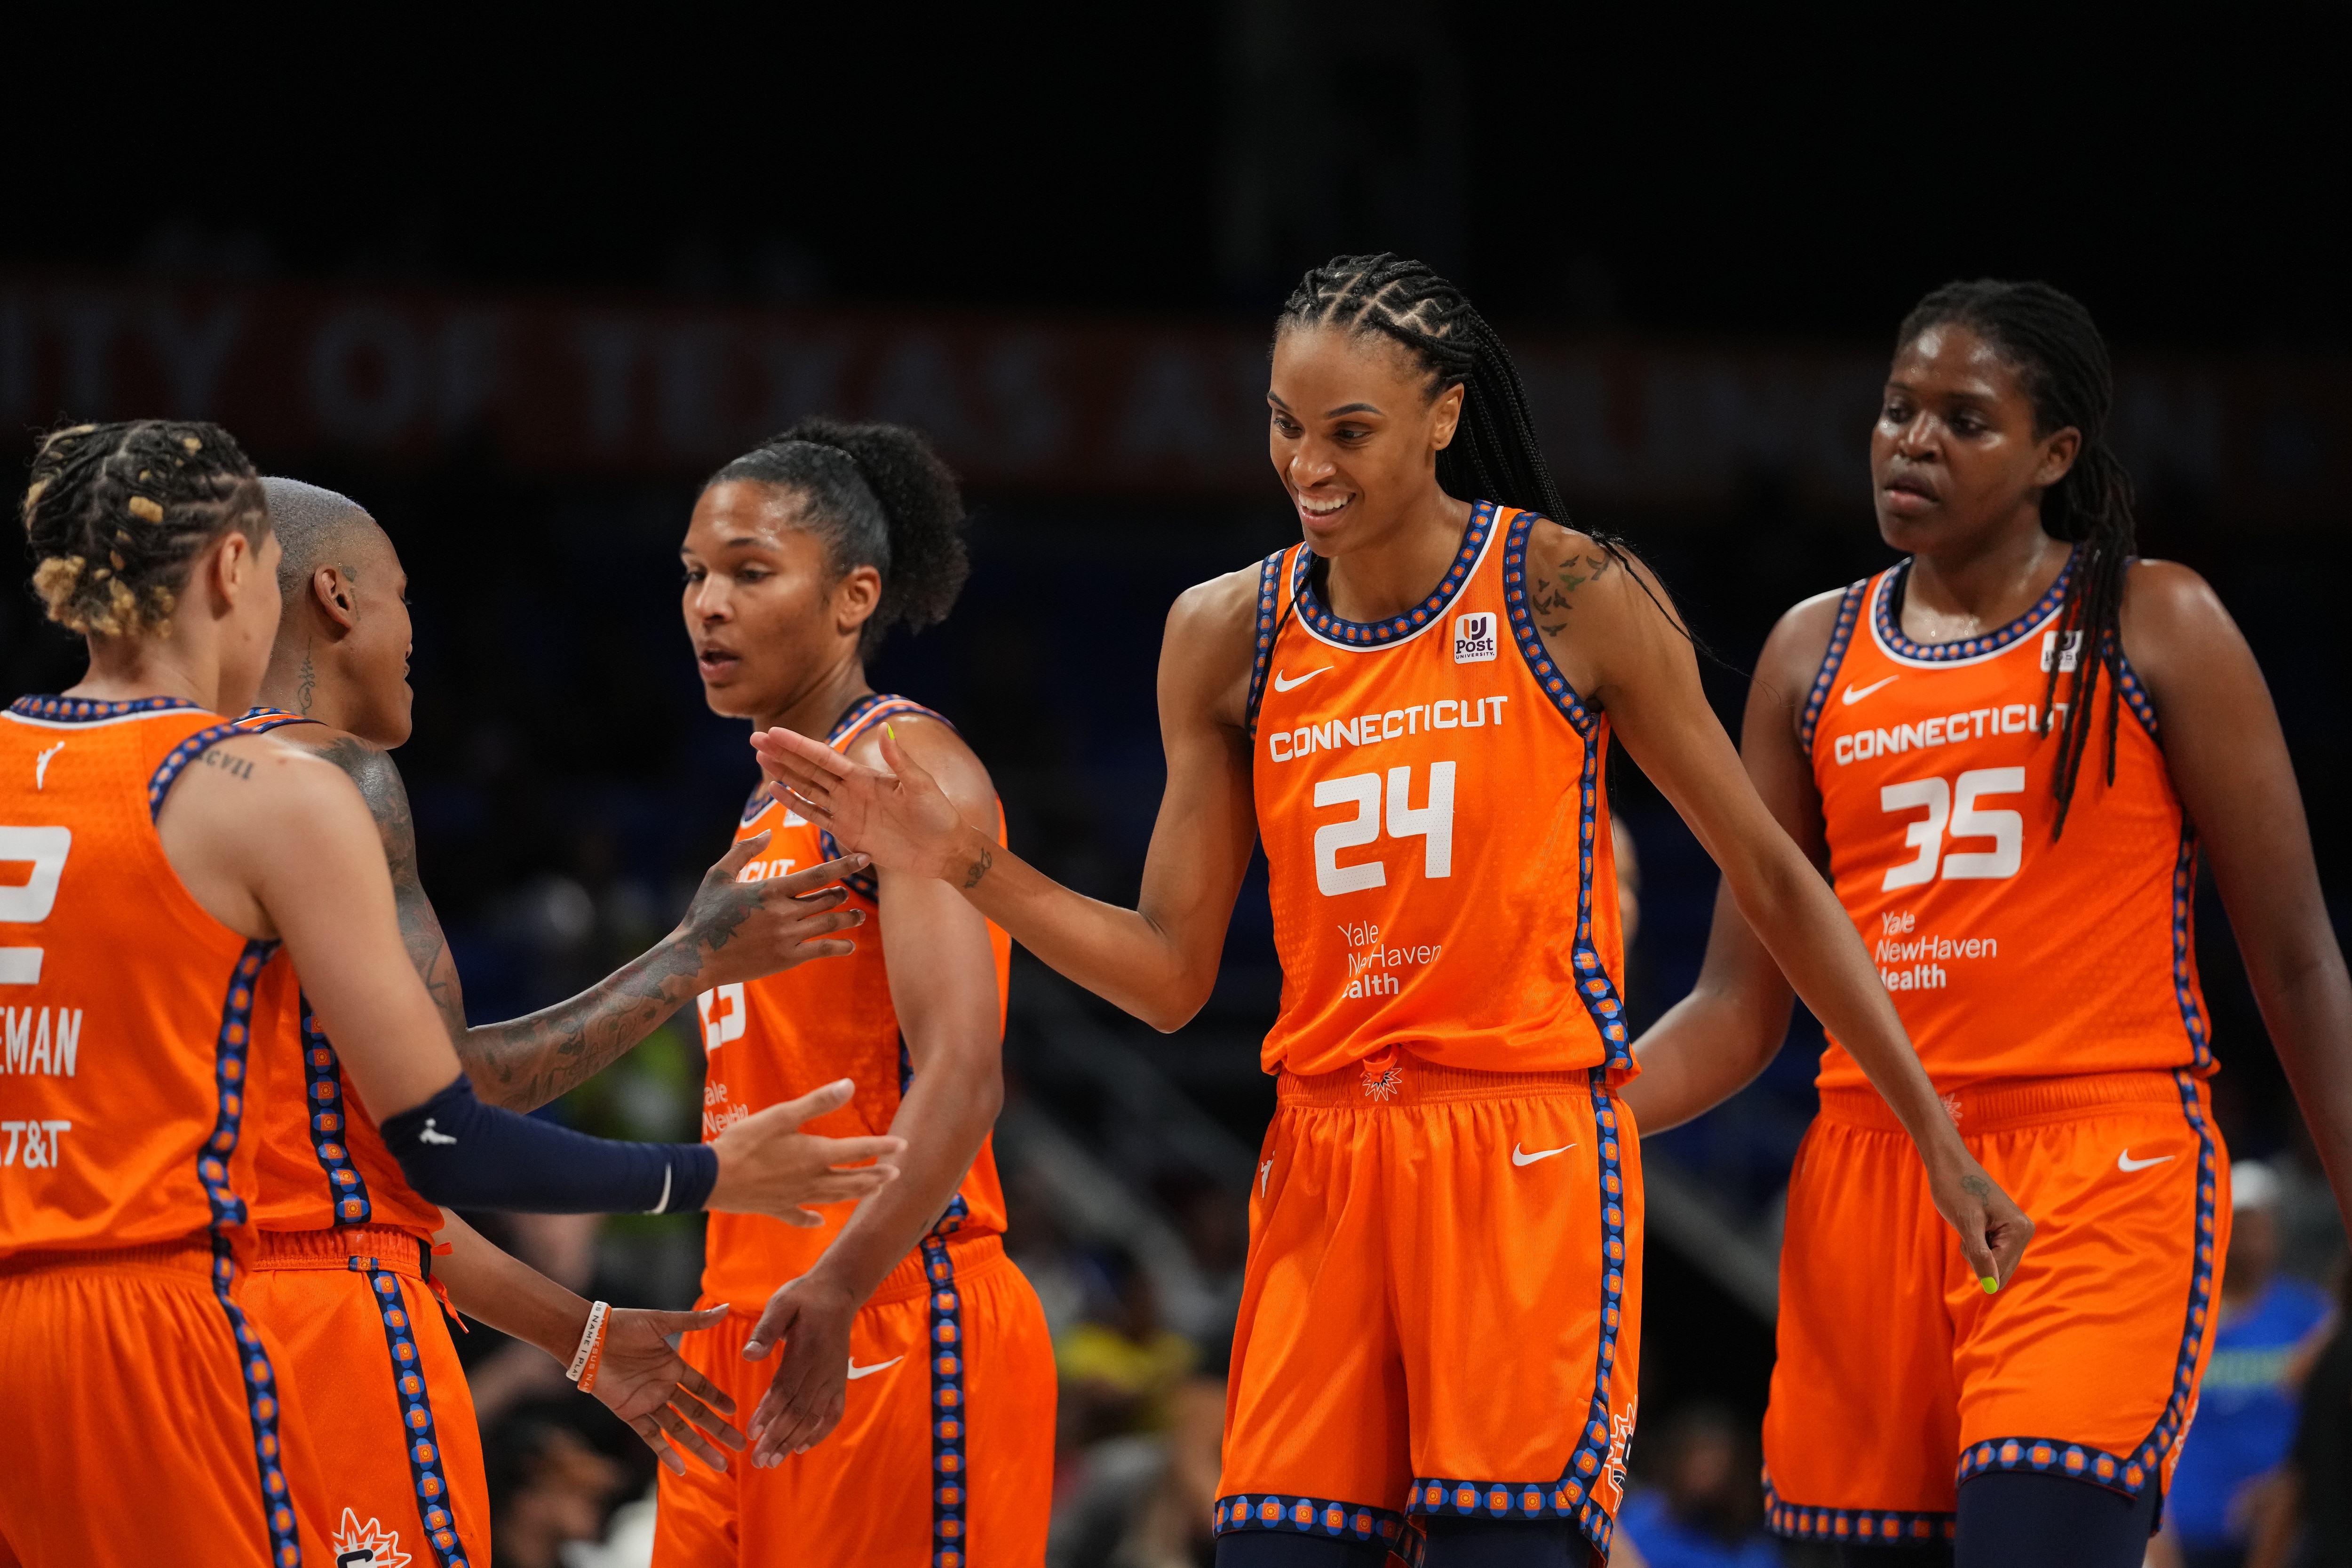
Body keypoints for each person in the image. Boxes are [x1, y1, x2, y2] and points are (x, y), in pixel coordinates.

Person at [751, 255, 2030, 1568]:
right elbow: (1170, 975)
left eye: (1349, 431)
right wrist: (965, 861)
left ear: (1442, 416)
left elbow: (1770, 875)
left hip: (1518, 1152)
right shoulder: (1224, 632)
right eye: (1284, 424)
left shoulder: (1567, 590)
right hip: (1320, 1164)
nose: (1308, 465)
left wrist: (1930, 1131)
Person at [0, 421, 898, 1568]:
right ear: (239, 570)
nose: (419, 628)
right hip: (228, 1327)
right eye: (404, 595)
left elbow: (337, 1169)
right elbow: (440, 1124)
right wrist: (705, 1154)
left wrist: (579, 1334)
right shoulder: (285, 783)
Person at [1619, 281, 2352, 1567]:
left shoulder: (2157, 620)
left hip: (2092, 1171)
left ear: (2054, 454)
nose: (1913, 441)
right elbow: (1737, 1008)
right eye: (1898, 409)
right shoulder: (1807, 652)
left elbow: (2295, 962)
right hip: (1867, 1178)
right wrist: (1565, 1112)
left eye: (1964, 420)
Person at [651, 420, 1057, 1568]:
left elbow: (963, 1073)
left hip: (881, 1306)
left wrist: (834, 1287)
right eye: (694, 574)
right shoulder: (767, 803)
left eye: (749, 573)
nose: (707, 606)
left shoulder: (905, 772)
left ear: (852, 596)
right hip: (741, 1324)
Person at [2162, 1162, 2333, 1566]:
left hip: (2280, 1533)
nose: (2252, 1238)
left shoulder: (2310, 1318)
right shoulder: (2178, 1319)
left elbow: (2328, 1423)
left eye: (2262, 1225)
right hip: (2184, 1533)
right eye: (2241, 1224)